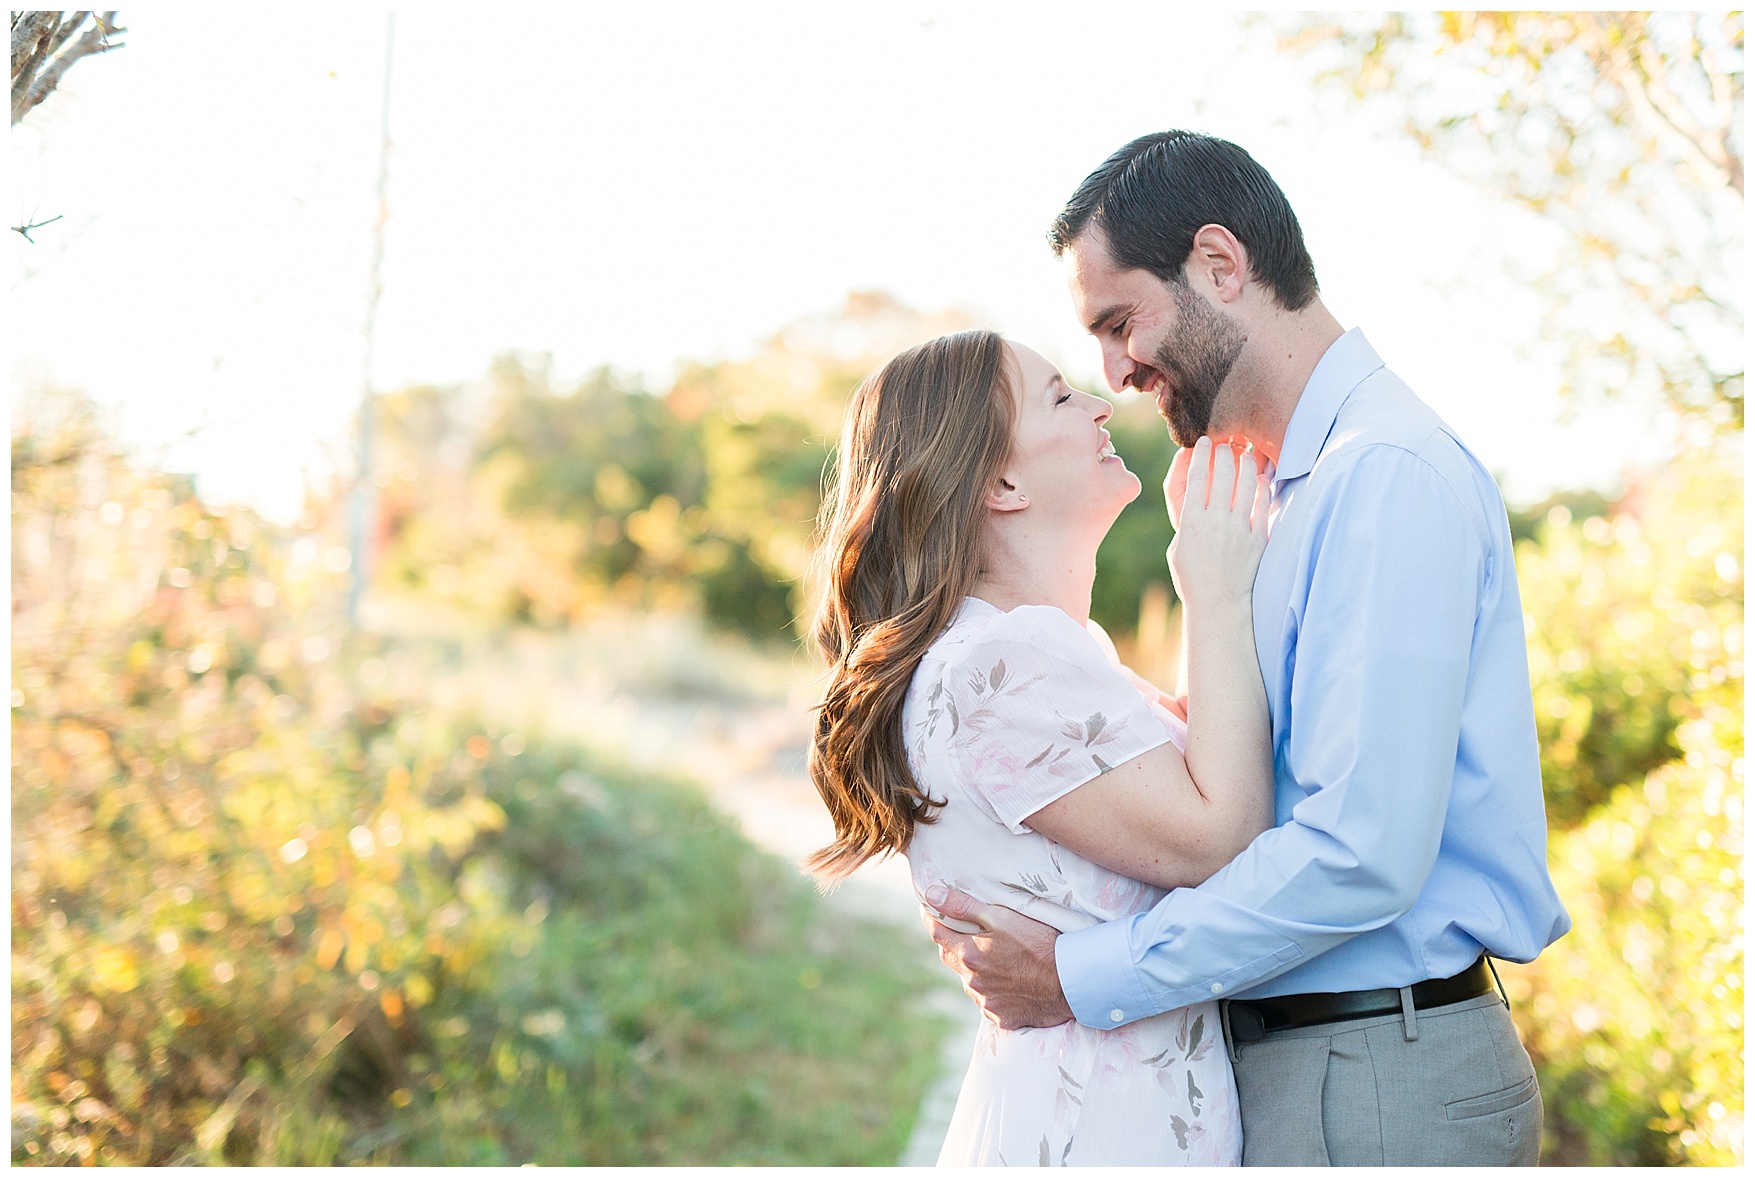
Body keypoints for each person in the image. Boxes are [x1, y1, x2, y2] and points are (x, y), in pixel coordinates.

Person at [922, 130, 1572, 1166]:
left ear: (1220, 265)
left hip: (1374, 1073)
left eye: (1119, 322)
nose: (1114, 372)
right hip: (1308, 1062)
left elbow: (1362, 852)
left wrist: (1081, 974)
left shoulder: (1384, 476)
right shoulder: (1267, 495)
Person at [804, 328, 1280, 1164]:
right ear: (1000, 482)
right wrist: (1213, 586)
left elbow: (1199, 778)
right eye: (1061, 396)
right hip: (1101, 1133)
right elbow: (1220, 839)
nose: (1101, 404)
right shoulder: (1001, 665)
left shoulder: (1025, 653)